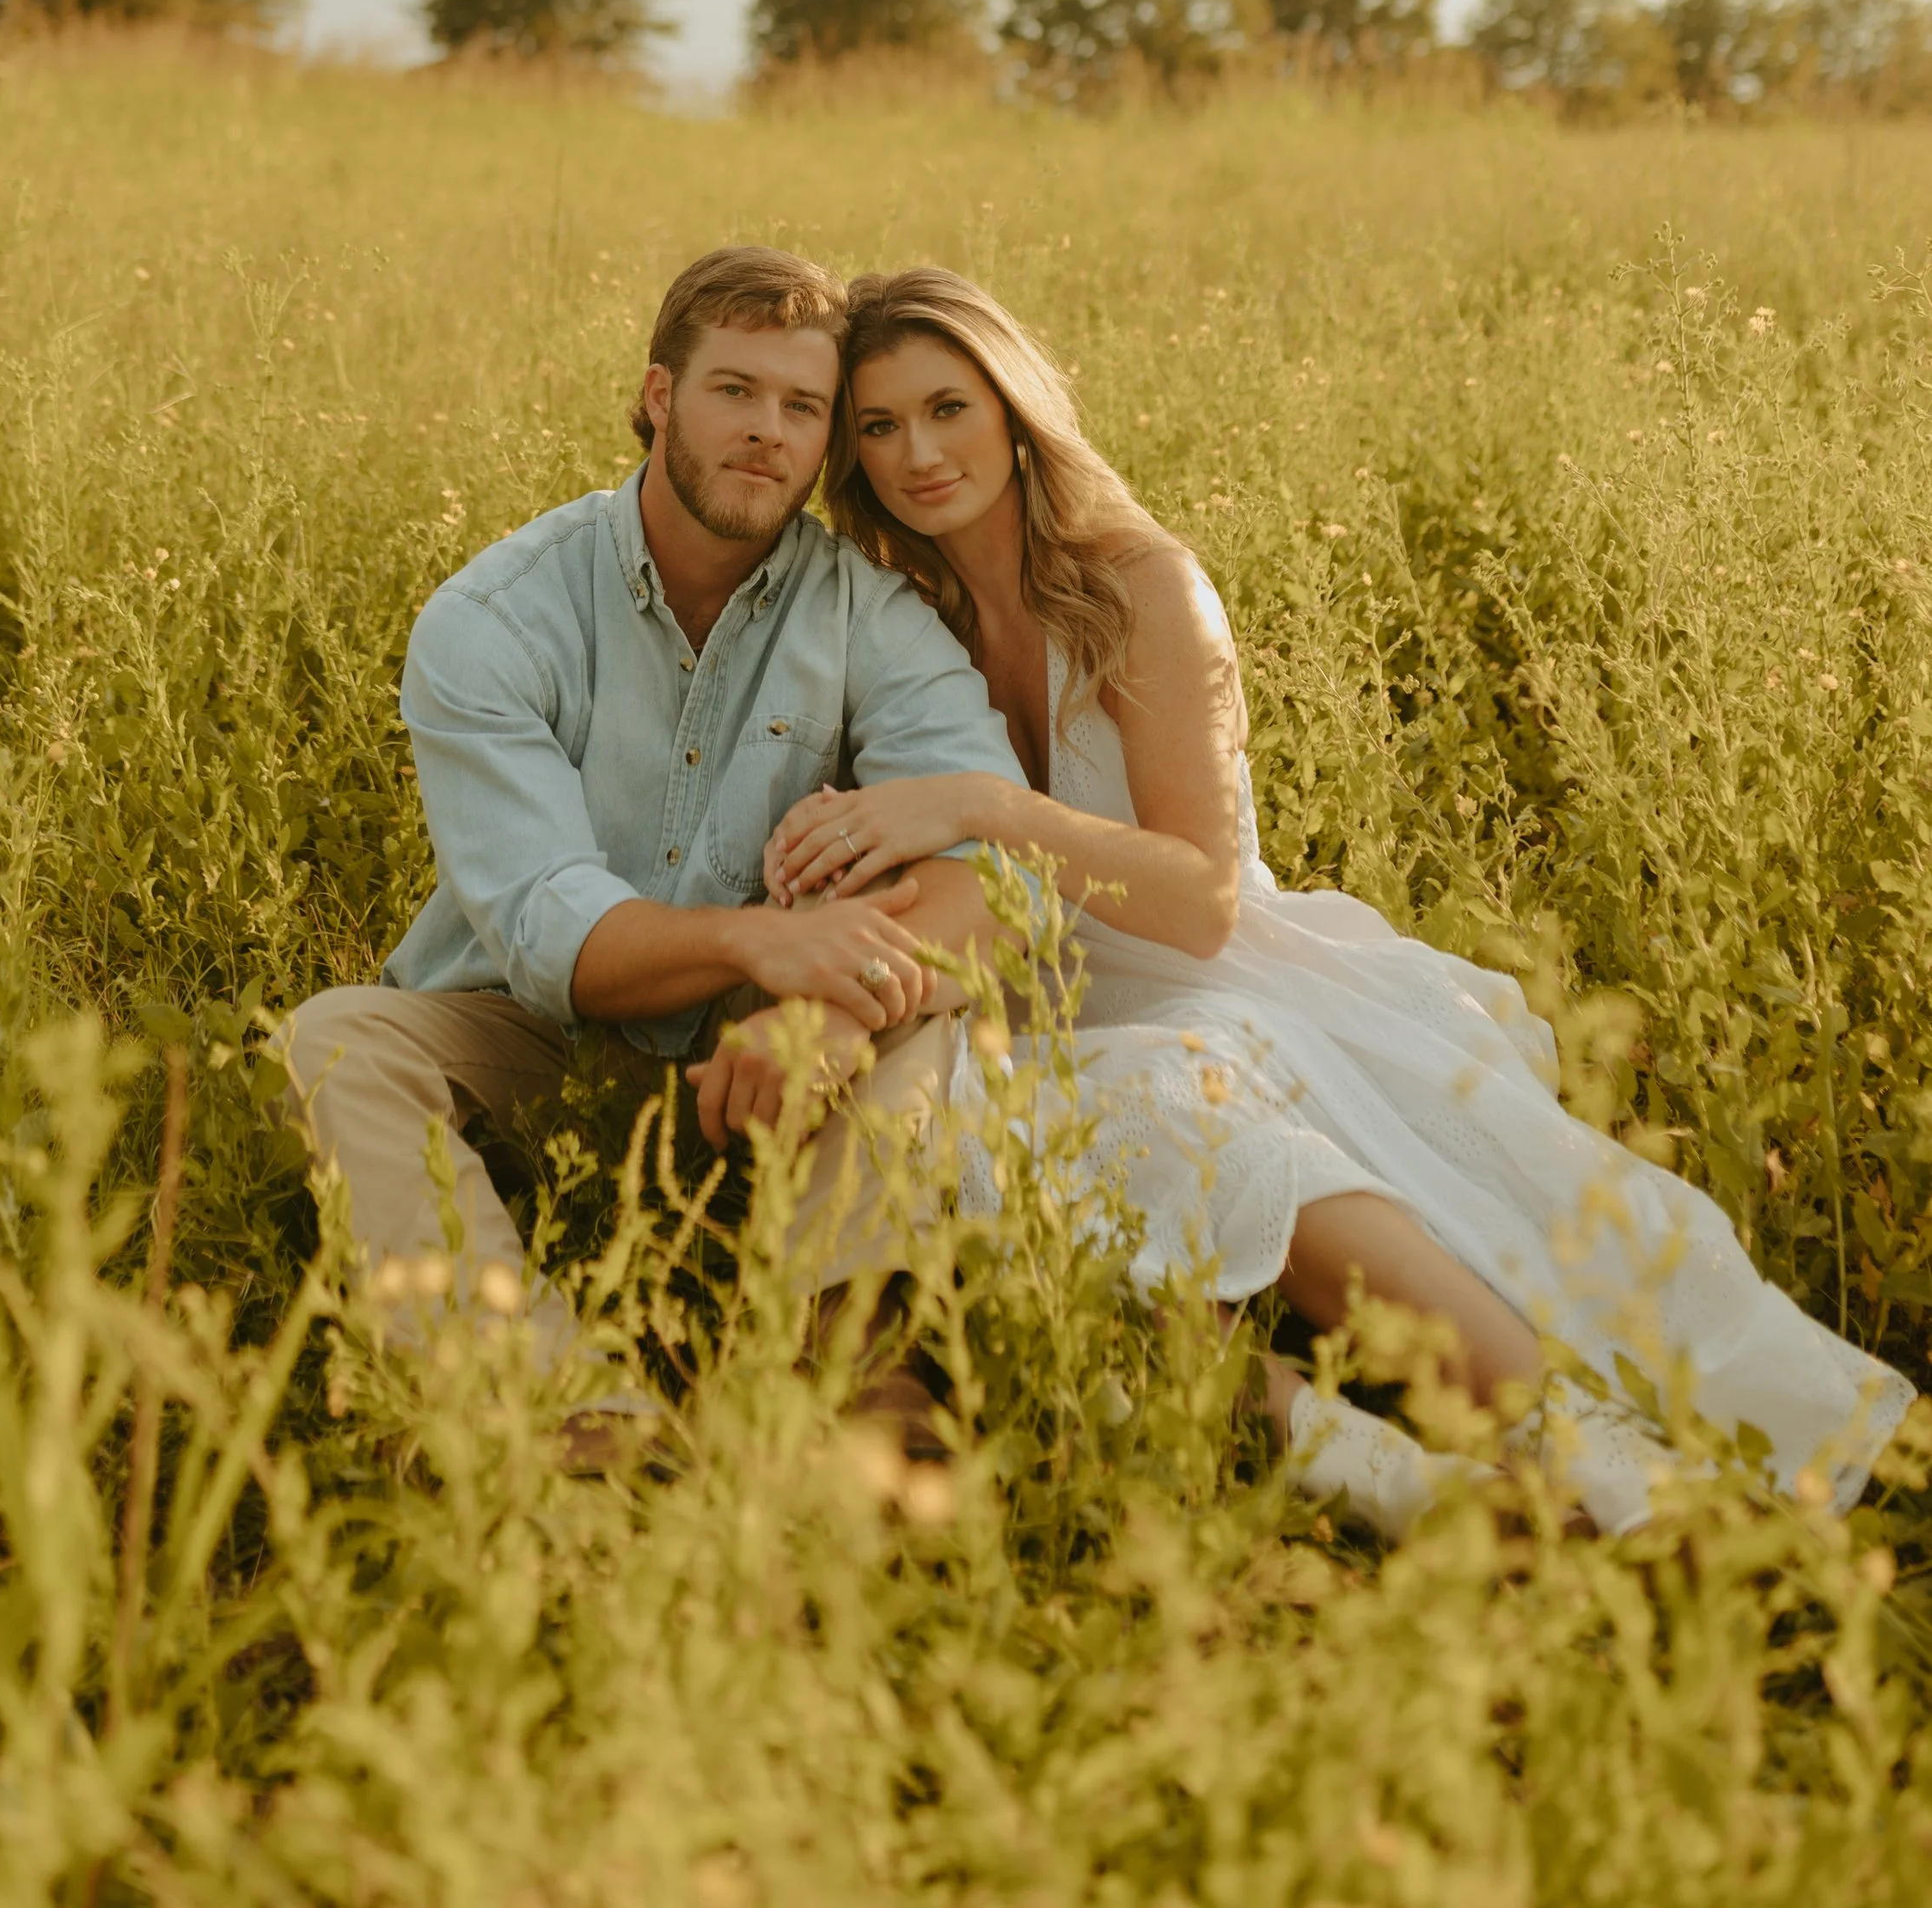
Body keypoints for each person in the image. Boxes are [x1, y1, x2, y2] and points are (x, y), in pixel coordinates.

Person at [765, 266, 1916, 1538]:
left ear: (1017, 408)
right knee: (1023, 1183)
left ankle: (1584, 1454)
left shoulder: (1140, 585)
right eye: (878, 427)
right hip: (1034, 996)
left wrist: (985, 809)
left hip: (1219, 971)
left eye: (947, 407)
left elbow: (1201, 899)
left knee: (1180, 1098)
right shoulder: (893, 614)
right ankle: (1394, 1475)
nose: (919, 452)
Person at [276, 245, 1021, 1422]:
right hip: (540, 1036)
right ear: (661, 396)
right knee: (333, 1041)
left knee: (921, 998)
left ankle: (852, 1371)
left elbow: (994, 863)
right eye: (734, 390)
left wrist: (820, 1002)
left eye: (802, 406)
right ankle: (564, 1410)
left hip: (767, 1061)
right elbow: (547, 932)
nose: (766, 431)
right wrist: (754, 943)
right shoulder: (495, 618)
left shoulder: (865, 609)